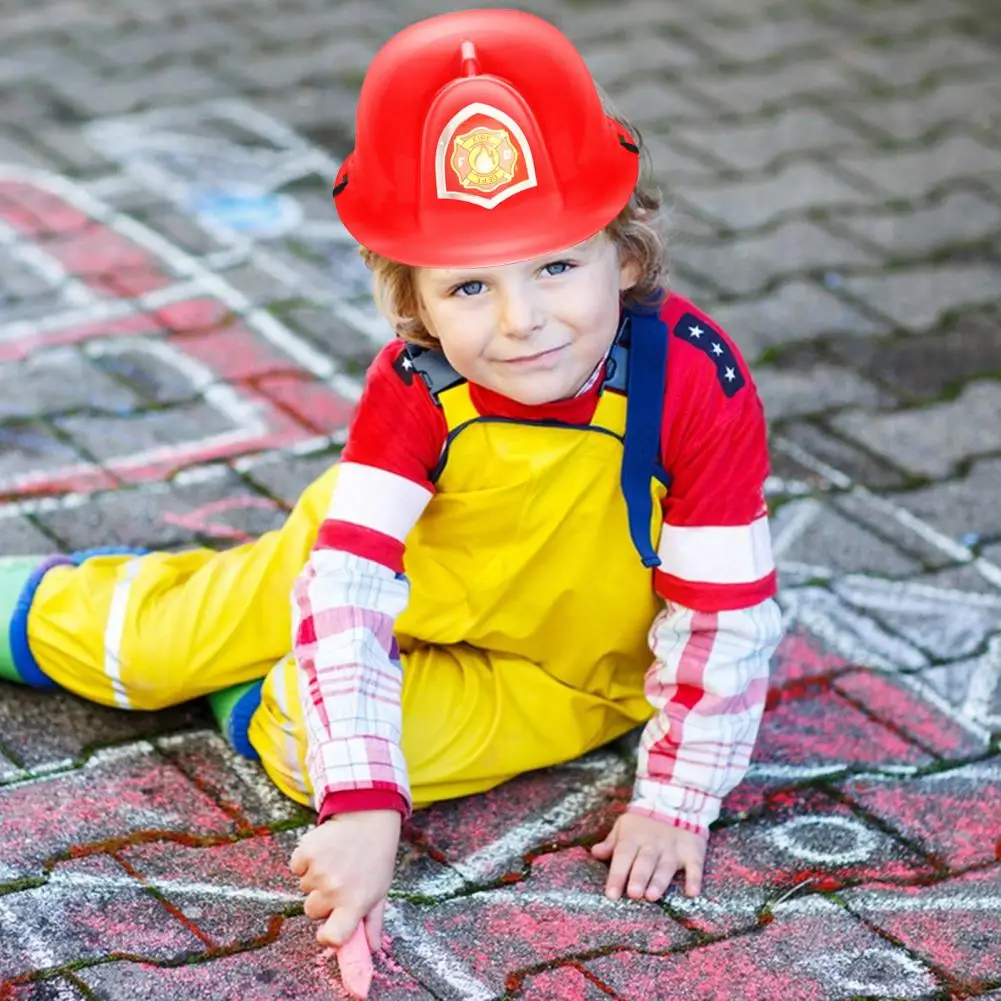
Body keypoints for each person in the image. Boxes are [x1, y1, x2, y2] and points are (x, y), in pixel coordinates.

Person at [0, 8, 783, 957]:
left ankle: (255, 692)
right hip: (394, 575)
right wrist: (367, 807)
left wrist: (676, 802)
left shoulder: (694, 382)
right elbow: (348, 584)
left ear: (621, 252)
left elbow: (719, 617)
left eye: (557, 264)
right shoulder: (416, 387)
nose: (522, 320)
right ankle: (80, 604)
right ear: (410, 298)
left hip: (559, 666)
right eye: (467, 287)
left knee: (296, 740)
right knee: (151, 650)